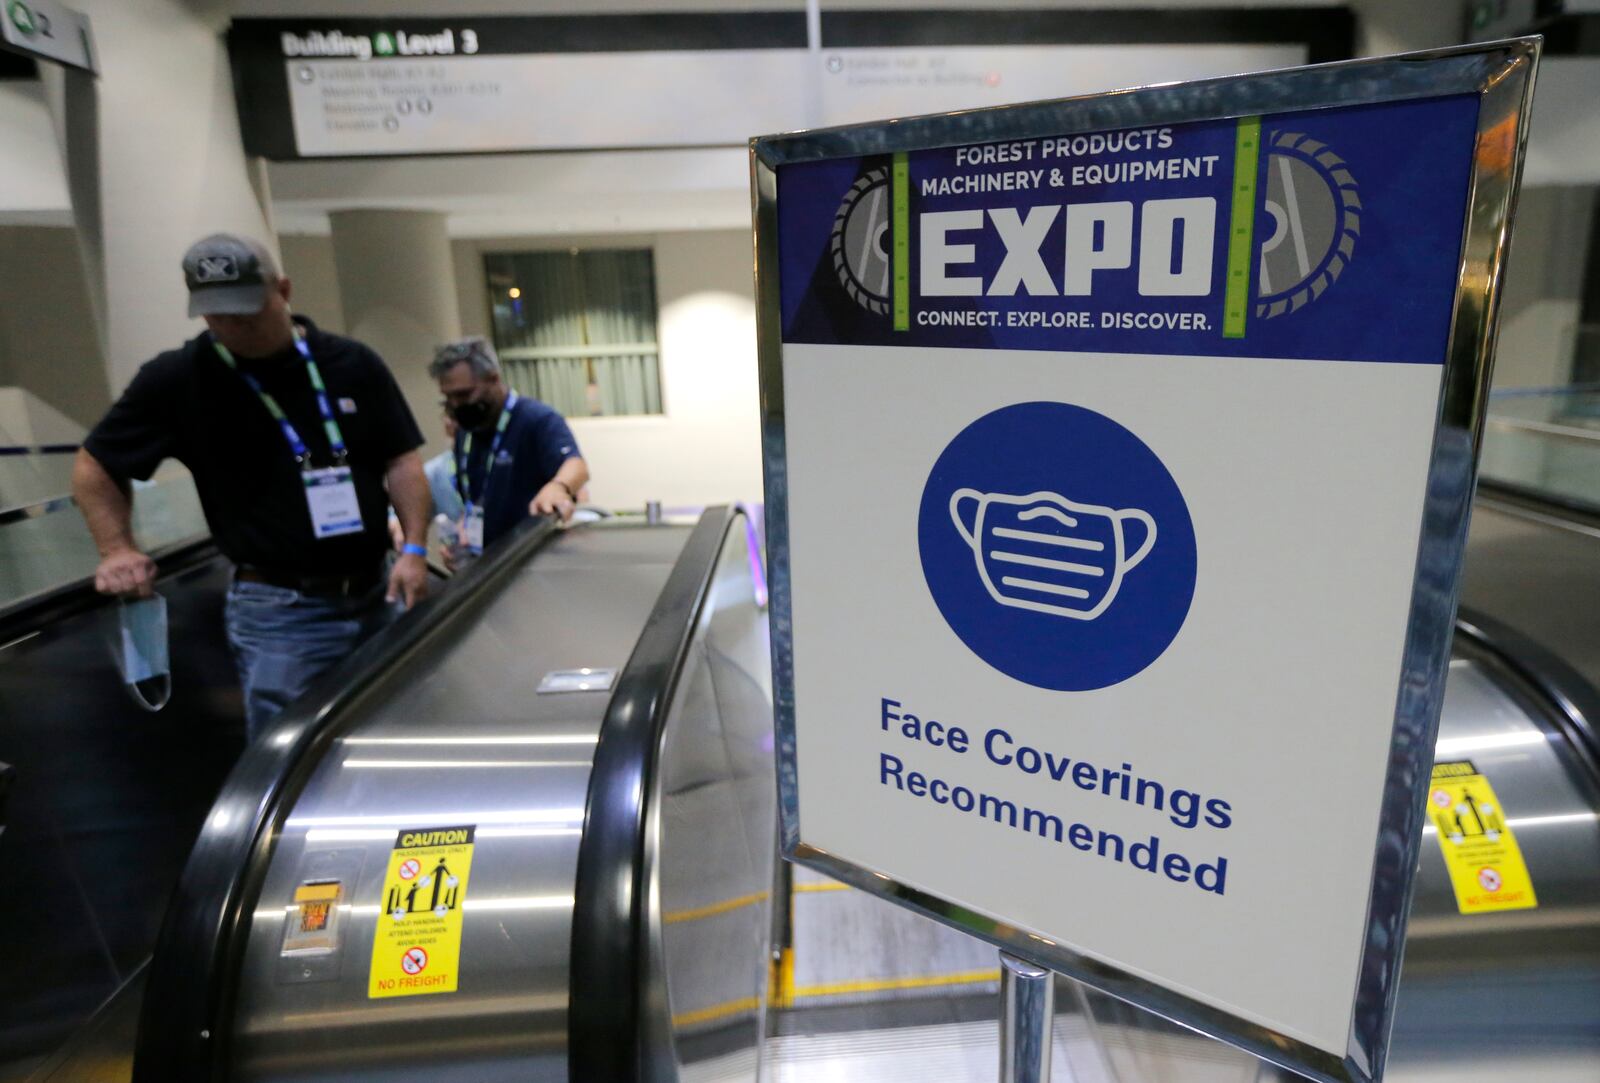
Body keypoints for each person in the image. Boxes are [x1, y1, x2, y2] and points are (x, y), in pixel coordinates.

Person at [74, 233, 432, 737]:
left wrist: (415, 548)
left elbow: (401, 461)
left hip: (379, 590)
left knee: (400, 728)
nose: (235, 326)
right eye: (218, 316)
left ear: (282, 290)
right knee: (291, 749)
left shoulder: (351, 363)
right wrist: (116, 549)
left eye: (248, 310)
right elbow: (95, 466)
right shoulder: (179, 378)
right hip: (280, 613)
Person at [428, 337, 588, 556]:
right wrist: (464, 534)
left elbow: (576, 466)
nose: (456, 405)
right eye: (448, 397)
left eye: (464, 395)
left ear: (493, 379)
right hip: (490, 561)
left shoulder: (536, 418)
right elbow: (477, 496)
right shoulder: (467, 432)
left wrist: (558, 487)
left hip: (532, 558)